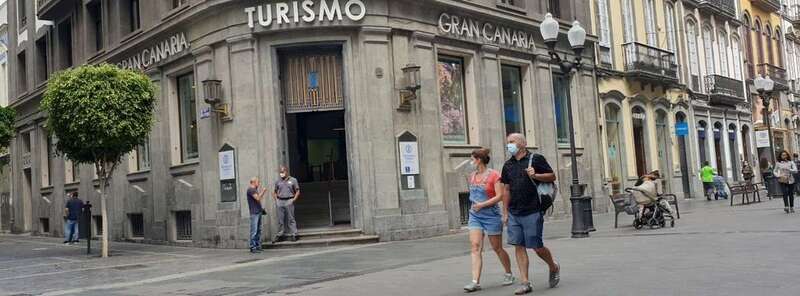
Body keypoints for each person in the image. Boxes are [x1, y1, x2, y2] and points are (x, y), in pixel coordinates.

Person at [500, 133, 560, 295]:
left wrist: (536, 175)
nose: (509, 145)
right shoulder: (507, 165)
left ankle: (553, 266)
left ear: (522, 144)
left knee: (536, 246)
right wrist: (505, 212)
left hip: (533, 210)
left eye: (511, 142)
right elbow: (506, 189)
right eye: (507, 143)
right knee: (518, 246)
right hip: (514, 211)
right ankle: (525, 282)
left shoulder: (536, 159)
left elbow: (552, 176)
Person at [463, 148, 514, 293]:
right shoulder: (472, 176)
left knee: (497, 248)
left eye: (472, 159)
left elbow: (499, 196)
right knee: (475, 246)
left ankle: (509, 273)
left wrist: (483, 205)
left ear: (478, 160)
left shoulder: (494, 175)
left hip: (491, 215)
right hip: (475, 215)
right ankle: (475, 281)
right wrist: (476, 206)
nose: (471, 162)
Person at [273, 166, 300, 242]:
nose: (281, 173)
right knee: (280, 219)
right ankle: (280, 234)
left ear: (286, 172)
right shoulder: (278, 181)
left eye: (282, 172)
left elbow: (297, 191)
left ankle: (294, 234)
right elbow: (274, 191)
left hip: (289, 200)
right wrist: (276, 200)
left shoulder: (293, 180)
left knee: (291, 218)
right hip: (280, 201)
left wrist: (294, 199)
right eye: (280, 172)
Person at [247, 177, 267, 253]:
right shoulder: (251, 190)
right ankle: (253, 247)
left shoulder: (254, 190)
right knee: (254, 231)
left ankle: (258, 246)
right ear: (253, 182)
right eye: (258, 182)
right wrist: (263, 191)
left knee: (258, 230)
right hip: (254, 213)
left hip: (258, 212)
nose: (258, 183)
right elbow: (258, 198)